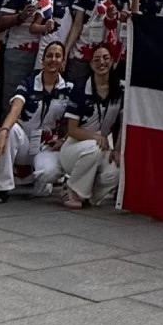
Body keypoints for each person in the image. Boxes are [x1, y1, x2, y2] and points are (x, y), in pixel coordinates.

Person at [0, 41, 75, 204]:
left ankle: (31, 177)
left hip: (47, 145)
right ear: (42, 60)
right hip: (25, 141)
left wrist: (63, 140)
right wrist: (3, 131)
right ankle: (3, 187)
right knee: (12, 130)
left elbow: (75, 122)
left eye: (58, 56)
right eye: (49, 55)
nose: (53, 60)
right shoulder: (28, 83)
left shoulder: (69, 89)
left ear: (63, 61)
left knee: (46, 174)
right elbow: (15, 109)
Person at [58, 44, 125, 208]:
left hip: (99, 147)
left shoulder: (121, 88)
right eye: (96, 59)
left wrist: (116, 150)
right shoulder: (80, 88)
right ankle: (71, 188)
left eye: (106, 58)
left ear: (113, 62)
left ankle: (86, 196)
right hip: (74, 148)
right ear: (91, 64)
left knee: (115, 171)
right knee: (95, 147)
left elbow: (124, 123)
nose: (101, 63)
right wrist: (95, 137)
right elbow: (72, 130)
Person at [66, 0, 129, 84]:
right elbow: (77, 24)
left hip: (109, 56)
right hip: (83, 50)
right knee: (77, 91)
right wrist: (66, 52)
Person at [0, 0, 41, 118]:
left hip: (40, 53)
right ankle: (3, 135)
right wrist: (20, 16)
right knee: (11, 96)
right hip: (15, 52)